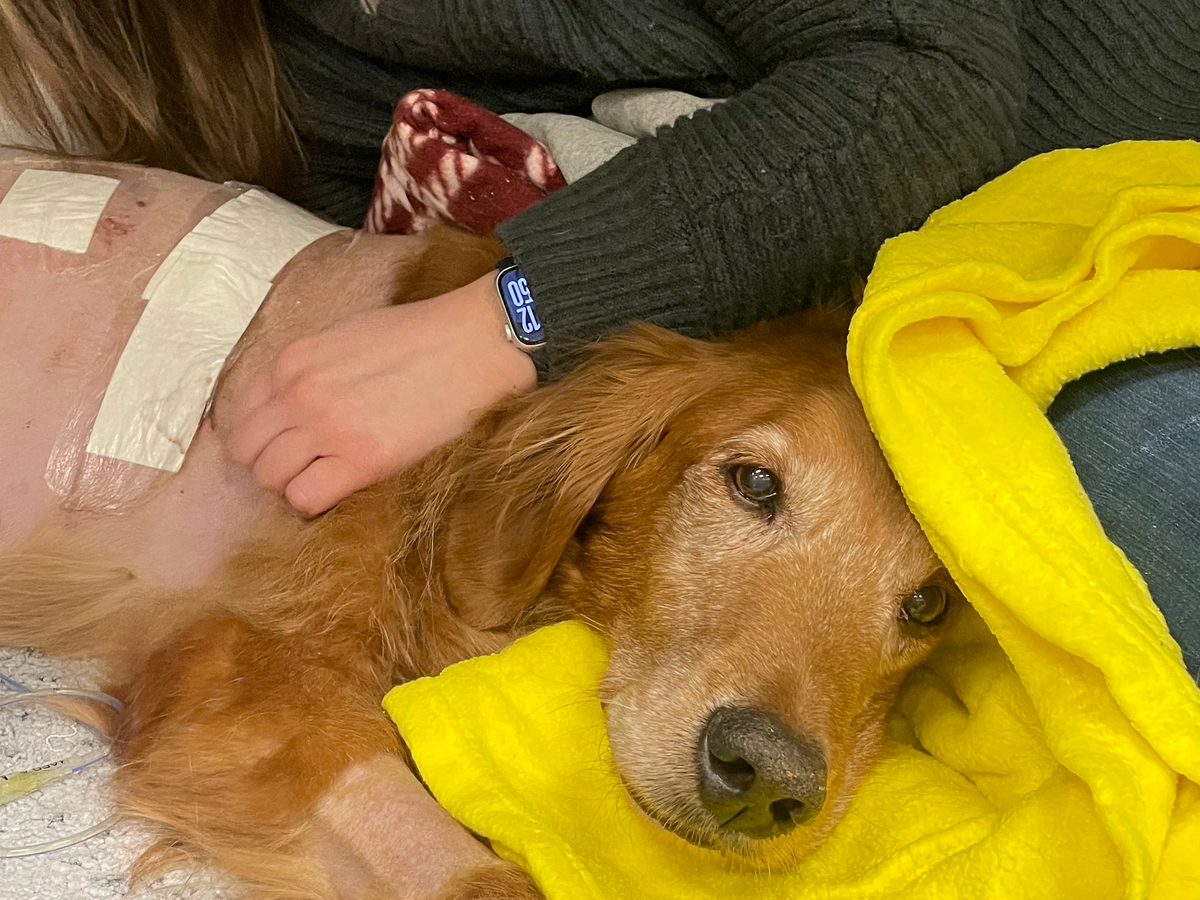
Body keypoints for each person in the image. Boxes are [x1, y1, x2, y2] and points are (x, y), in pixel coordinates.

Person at [0, 0, 1196, 668]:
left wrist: (514, 317)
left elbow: (925, 83)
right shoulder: (281, 65)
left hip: (1111, 212)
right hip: (861, 313)